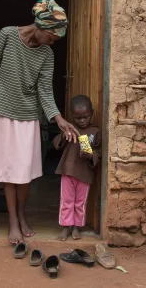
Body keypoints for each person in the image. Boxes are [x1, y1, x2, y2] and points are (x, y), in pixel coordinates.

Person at [0, 0, 79, 245]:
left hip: (28, 115)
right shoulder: (7, 35)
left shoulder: (47, 54)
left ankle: (22, 215)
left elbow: (44, 91)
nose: (53, 42)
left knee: (23, 171)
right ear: (41, 27)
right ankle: (13, 221)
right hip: (1, 111)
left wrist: (59, 118)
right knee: (8, 170)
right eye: (53, 36)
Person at [53, 95, 101, 241]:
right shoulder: (70, 129)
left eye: (85, 117)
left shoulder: (95, 132)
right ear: (72, 116)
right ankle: (66, 226)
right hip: (68, 170)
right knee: (66, 201)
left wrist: (90, 154)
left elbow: (99, 152)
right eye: (78, 118)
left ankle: (76, 227)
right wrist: (64, 135)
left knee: (80, 202)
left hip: (85, 174)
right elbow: (57, 144)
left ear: (91, 113)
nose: (82, 120)